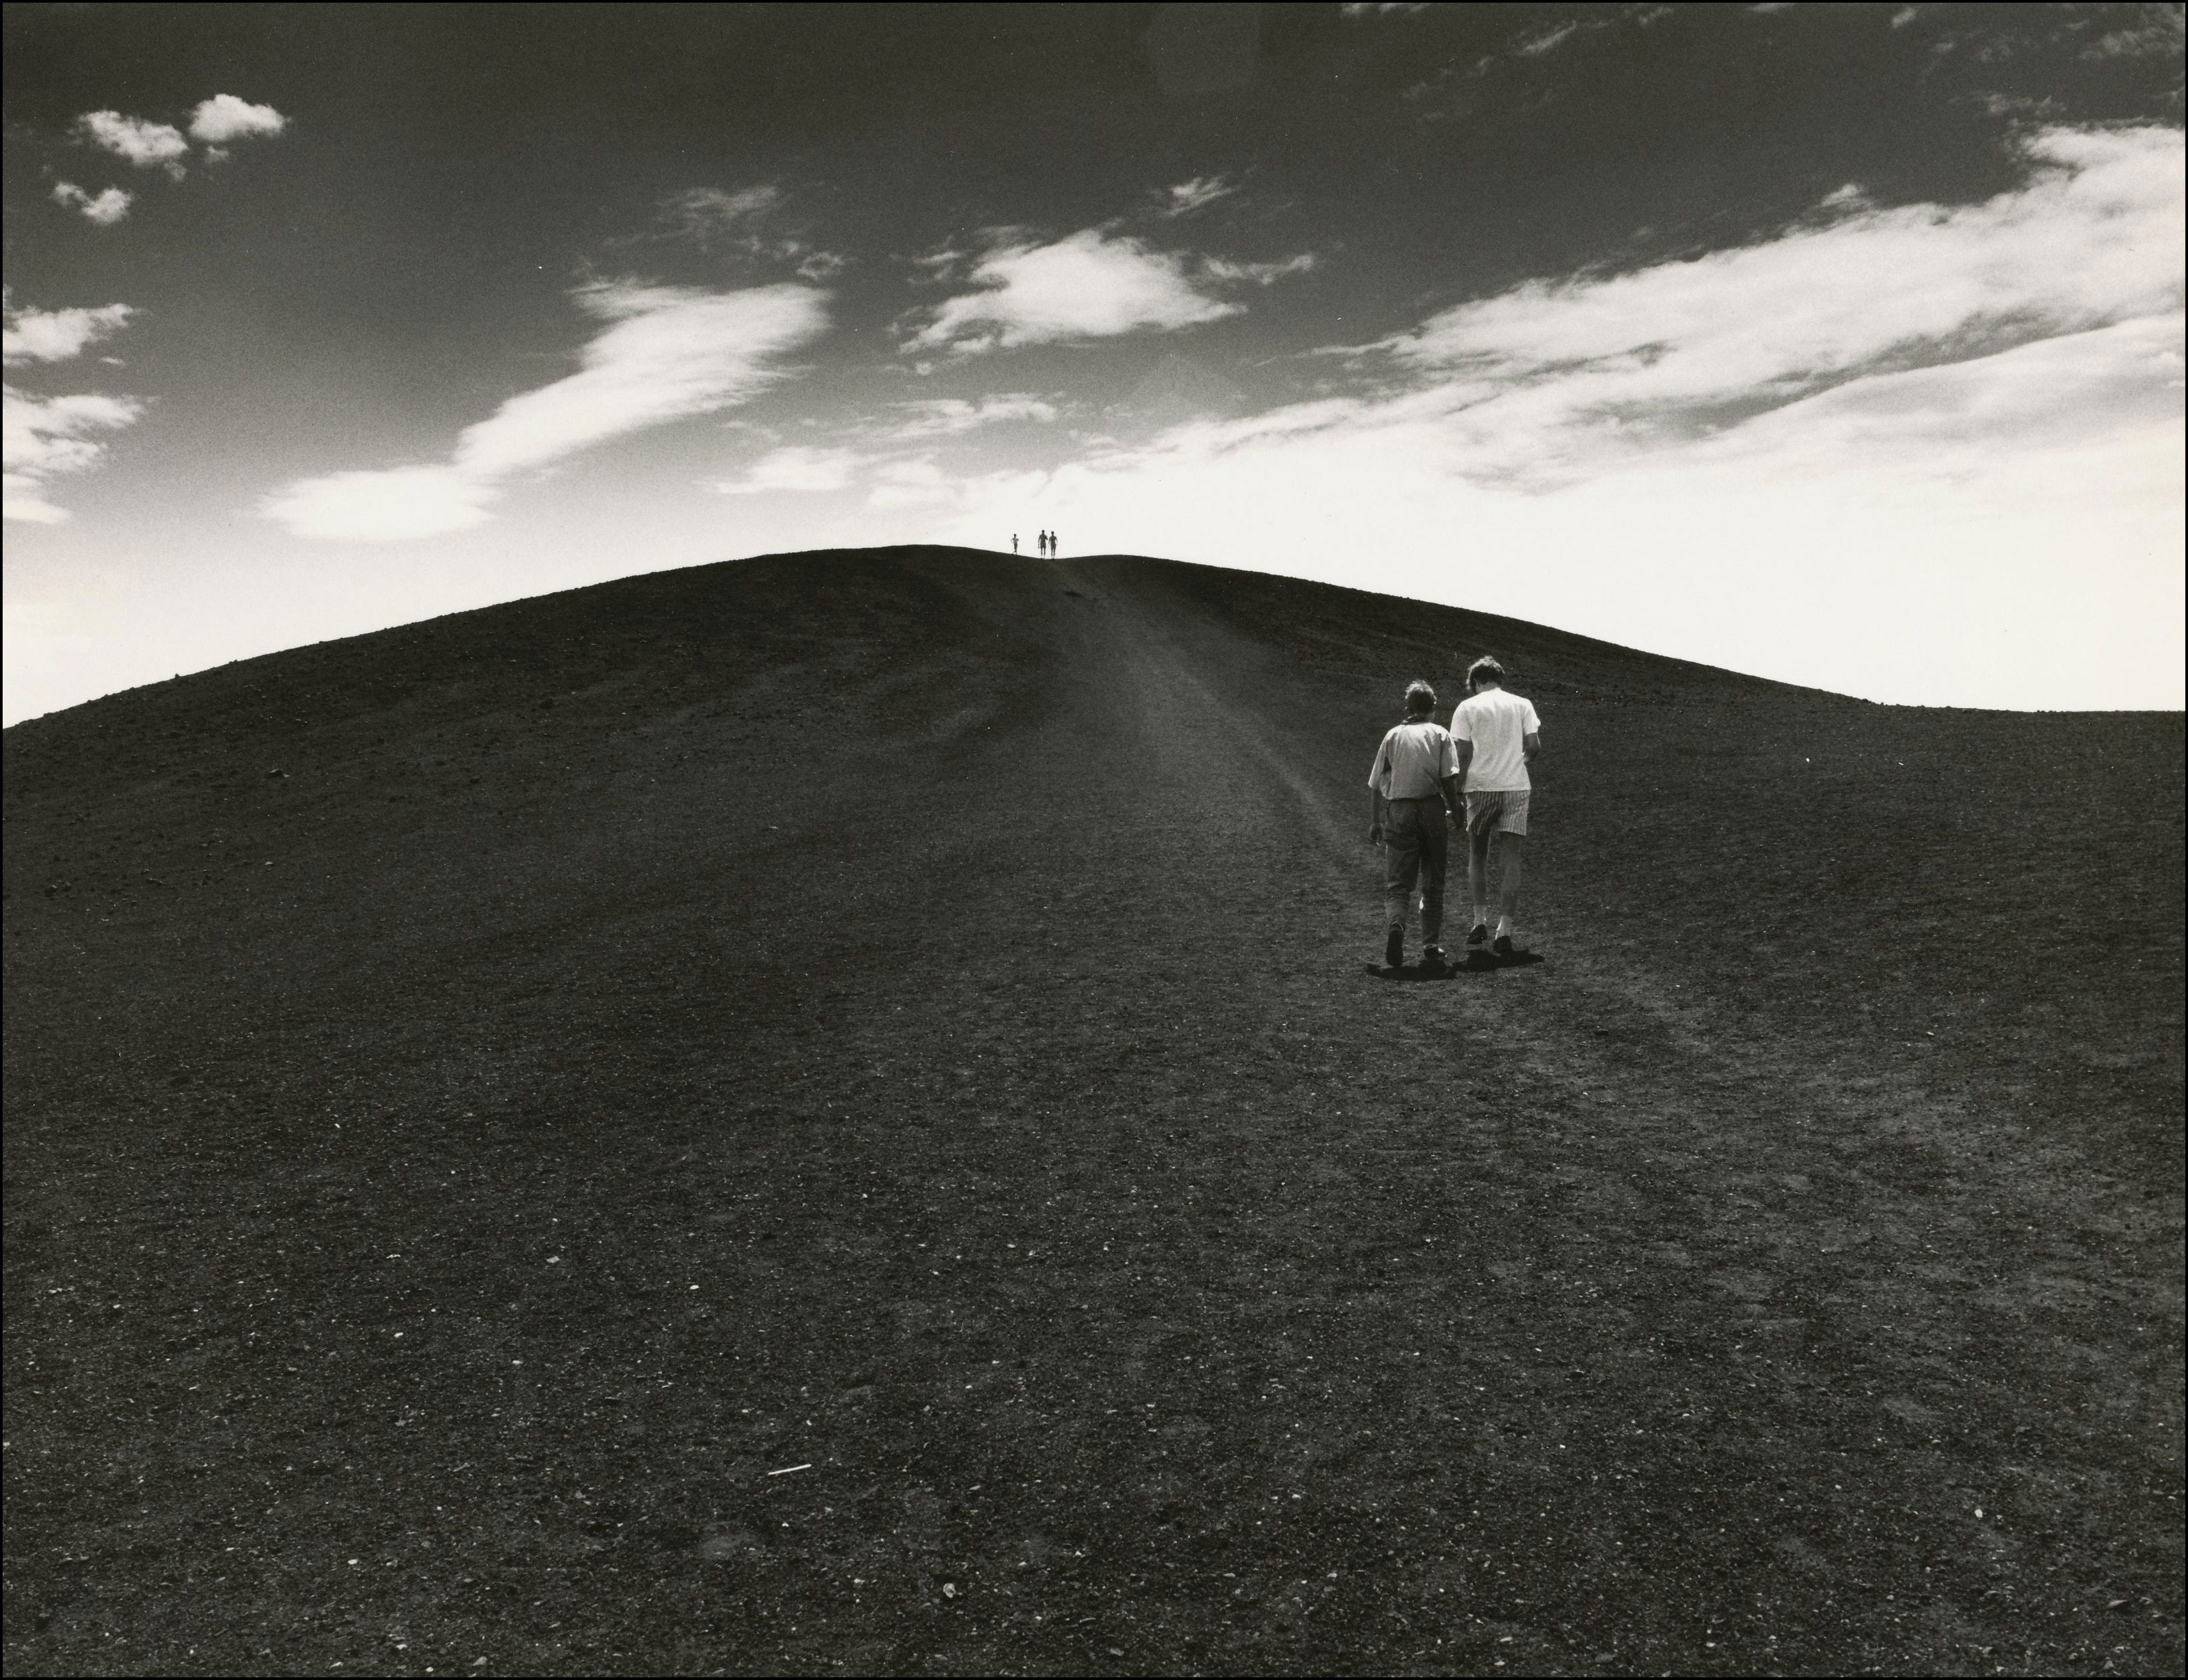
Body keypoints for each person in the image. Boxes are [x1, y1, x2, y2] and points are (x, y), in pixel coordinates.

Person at [1366, 679, 1464, 969]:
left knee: (1398, 883)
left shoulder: (1393, 736)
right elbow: (1449, 780)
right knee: (1433, 882)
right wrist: (1457, 814)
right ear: (1433, 708)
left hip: (1400, 811)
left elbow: (1374, 784)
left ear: (1408, 707)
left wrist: (1375, 822)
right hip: (1433, 811)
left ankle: (1396, 925)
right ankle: (1431, 945)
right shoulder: (1440, 735)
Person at [1451, 656, 1542, 957]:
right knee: (1511, 859)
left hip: (1481, 787)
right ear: (1499, 678)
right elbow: (1534, 747)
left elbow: (1462, 752)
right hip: (1516, 786)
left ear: (1476, 681)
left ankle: (1479, 921)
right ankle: (1505, 929)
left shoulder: (1467, 707)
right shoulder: (1523, 704)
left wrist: (1459, 788)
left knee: (1478, 854)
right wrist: (1517, 765)